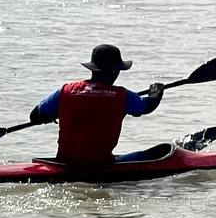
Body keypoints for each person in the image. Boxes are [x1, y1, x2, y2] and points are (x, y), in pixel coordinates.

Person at [30, 44, 164, 167]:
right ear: (114, 71)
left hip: (65, 163)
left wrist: (49, 116)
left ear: (93, 69)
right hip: (100, 165)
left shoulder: (65, 91)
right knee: (156, 153)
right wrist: (156, 93)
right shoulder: (122, 96)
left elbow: (35, 115)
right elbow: (147, 106)